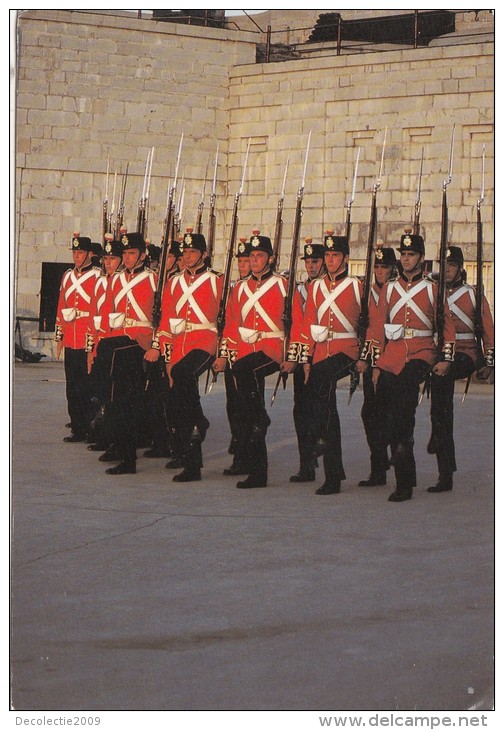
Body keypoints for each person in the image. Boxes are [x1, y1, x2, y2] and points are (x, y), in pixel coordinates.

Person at [369, 229, 456, 502]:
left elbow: (448, 328)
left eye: (411, 254)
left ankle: (404, 483)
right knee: (387, 412)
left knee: (403, 413)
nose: (406, 259)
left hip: (421, 353)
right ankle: (401, 468)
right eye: (404, 254)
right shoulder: (390, 288)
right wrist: (375, 363)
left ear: (421, 258)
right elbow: (377, 327)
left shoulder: (432, 288)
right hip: (391, 355)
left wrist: (445, 359)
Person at [213, 230, 304, 489]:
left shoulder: (284, 285)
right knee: (246, 402)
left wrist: (292, 357)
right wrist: (223, 355)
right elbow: (232, 325)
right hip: (244, 349)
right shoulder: (239, 288)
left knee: (245, 376)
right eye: (251, 255)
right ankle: (256, 450)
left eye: (259, 255)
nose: (254, 260)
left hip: (273, 348)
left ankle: (259, 419)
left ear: (271, 258)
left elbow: (297, 323)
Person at [283, 231, 363, 495]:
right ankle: (332, 470)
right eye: (327, 255)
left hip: (347, 348)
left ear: (346, 258)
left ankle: (323, 449)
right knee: (323, 404)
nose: (329, 260)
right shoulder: (316, 287)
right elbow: (307, 324)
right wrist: (305, 358)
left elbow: (370, 322)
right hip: (320, 349)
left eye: (334, 255)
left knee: (320, 383)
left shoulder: (357, 286)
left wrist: (366, 355)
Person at [149, 230, 223, 482]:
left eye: (193, 252)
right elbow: (167, 321)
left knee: (183, 375)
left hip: (205, 340)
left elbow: (228, 318)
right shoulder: (174, 282)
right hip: (179, 343)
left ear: (203, 254)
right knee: (178, 395)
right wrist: (165, 354)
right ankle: (193, 439)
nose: (188, 256)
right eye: (185, 252)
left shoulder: (217, 280)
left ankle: (197, 425)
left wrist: (224, 351)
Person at [427, 245, 494, 492]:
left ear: (460, 268)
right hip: (440, 352)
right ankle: (439, 438)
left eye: (452, 266)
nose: (447, 271)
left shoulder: (474, 295)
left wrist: (489, 363)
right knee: (440, 399)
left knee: (441, 384)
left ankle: (442, 452)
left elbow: (488, 331)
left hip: (466, 353)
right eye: (443, 266)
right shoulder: (432, 292)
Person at [97, 230, 158, 474]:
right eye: (125, 254)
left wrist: (155, 343)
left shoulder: (154, 279)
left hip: (140, 342)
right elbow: (109, 311)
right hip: (116, 341)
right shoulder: (116, 279)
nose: (128, 258)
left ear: (142, 255)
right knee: (113, 397)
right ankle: (117, 445)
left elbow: (160, 315)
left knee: (126, 400)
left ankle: (128, 456)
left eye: (132, 253)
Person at [55, 233, 103, 442]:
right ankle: (77, 427)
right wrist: (60, 336)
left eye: (80, 252)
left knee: (88, 386)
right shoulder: (67, 276)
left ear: (89, 254)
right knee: (72, 386)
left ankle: (91, 426)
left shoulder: (98, 276)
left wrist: (95, 340)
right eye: (75, 252)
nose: (76, 256)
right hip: (71, 336)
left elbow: (99, 309)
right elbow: (61, 306)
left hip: (87, 336)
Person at [356, 243, 397, 487]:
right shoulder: (367, 293)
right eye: (377, 267)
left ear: (393, 269)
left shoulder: (397, 292)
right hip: (371, 357)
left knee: (390, 414)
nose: (380, 272)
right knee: (370, 414)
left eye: (385, 267)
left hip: (393, 358)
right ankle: (378, 467)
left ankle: (395, 456)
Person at [289, 237, 325, 483]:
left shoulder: (326, 287)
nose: (311, 266)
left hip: (322, 353)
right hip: (302, 353)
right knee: (300, 410)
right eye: (308, 262)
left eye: (315, 261)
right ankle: (306, 464)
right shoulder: (300, 289)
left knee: (319, 409)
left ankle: (319, 450)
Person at [223, 238, 252, 476]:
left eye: (247, 261)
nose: (243, 265)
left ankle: (245, 455)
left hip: (258, 352)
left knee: (247, 408)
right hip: (236, 350)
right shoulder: (235, 288)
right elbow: (230, 323)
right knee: (234, 405)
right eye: (240, 262)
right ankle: (240, 447)